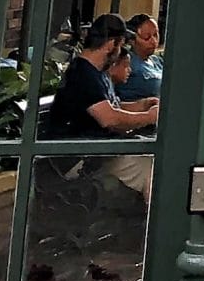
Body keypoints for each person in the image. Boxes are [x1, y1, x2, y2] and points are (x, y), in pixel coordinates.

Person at [47, 13, 158, 198]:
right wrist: (149, 117)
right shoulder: (82, 75)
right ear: (110, 44)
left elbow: (111, 107)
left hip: (99, 153)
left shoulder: (98, 73)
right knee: (151, 165)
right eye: (121, 44)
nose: (123, 50)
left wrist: (142, 105)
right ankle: (154, 223)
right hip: (80, 159)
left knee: (151, 156)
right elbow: (110, 119)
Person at [121, 12, 162, 99]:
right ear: (132, 40)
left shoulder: (158, 61)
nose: (153, 41)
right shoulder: (126, 62)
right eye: (147, 37)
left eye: (155, 35)